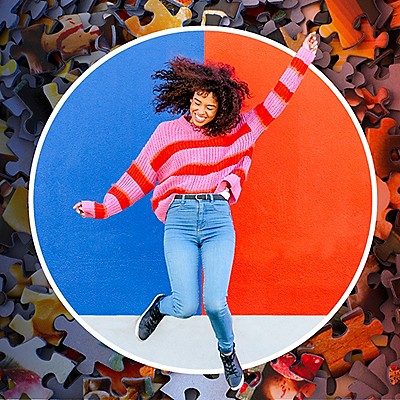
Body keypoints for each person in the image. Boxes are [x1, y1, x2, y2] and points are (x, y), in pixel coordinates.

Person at [73, 32, 318, 390]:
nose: (199, 112)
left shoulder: (241, 131)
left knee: (216, 304)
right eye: (196, 102)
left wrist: (303, 57)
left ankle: (227, 352)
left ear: (224, 110)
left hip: (218, 219)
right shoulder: (167, 133)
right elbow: (138, 176)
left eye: (209, 107)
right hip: (180, 221)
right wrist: (102, 208)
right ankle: (160, 307)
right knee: (187, 306)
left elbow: (277, 100)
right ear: (188, 95)